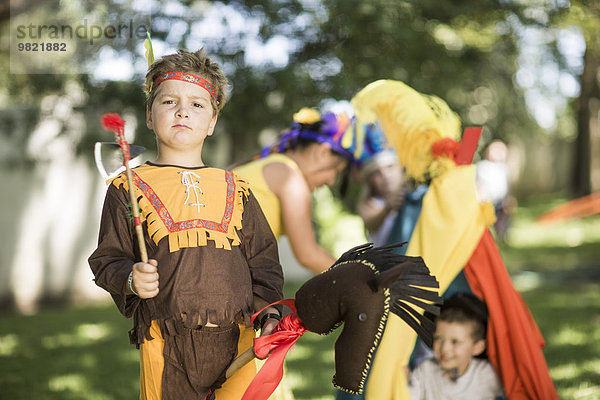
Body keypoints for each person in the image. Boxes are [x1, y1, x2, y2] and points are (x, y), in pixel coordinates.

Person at [88, 49, 284, 400]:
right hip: (165, 343)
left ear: (211, 122)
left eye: (197, 105)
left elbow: (264, 263)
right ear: (149, 116)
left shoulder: (236, 189)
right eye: (169, 101)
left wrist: (270, 314)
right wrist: (131, 279)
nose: (182, 111)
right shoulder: (127, 186)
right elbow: (107, 261)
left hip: (238, 343)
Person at [234, 107, 355, 274]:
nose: (331, 181)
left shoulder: (268, 165)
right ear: (323, 152)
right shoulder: (290, 178)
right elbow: (309, 255)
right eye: (336, 169)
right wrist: (366, 279)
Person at [408, 294, 504, 400]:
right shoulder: (425, 371)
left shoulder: (486, 375)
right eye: (438, 339)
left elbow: (516, 391)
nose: (445, 348)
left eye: (455, 342)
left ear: (478, 347)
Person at [355, 124, 407, 247]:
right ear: (369, 180)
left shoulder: (417, 194)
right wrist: (387, 209)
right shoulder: (370, 204)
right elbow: (371, 223)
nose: (385, 175)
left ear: (401, 169)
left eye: (390, 167)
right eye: (377, 172)